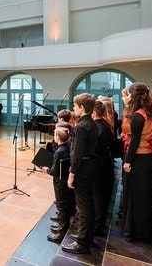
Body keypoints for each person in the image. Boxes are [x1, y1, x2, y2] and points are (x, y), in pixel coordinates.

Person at [121, 83, 152, 242]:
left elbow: (135, 140)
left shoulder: (138, 115)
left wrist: (128, 161)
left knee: (137, 197)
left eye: (128, 94)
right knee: (145, 196)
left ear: (134, 96)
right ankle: (143, 230)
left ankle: (136, 232)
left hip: (139, 158)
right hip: (149, 156)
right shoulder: (149, 112)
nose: (126, 97)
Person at [62, 93, 98, 255]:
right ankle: (87, 236)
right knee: (87, 203)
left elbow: (77, 153)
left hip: (82, 168)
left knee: (83, 206)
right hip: (90, 165)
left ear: (83, 108)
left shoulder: (82, 127)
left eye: (75, 106)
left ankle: (82, 242)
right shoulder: (91, 123)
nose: (73, 108)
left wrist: (71, 173)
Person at [41, 127, 73, 243]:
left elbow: (54, 171)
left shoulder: (59, 152)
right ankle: (62, 225)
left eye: (54, 134)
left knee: (61, 205)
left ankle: (62, 231)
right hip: (65, 179)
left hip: (60, 182)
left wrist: (46, 169)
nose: (53, 136)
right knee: (64, 205)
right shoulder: (68, 146)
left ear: (58, 137)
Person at [92, 99, 115, 236]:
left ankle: (97, 227)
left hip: (99, 166)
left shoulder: (98, 128)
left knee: (98, 197)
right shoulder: (104, 124)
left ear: (94, 113)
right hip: (104, 164)